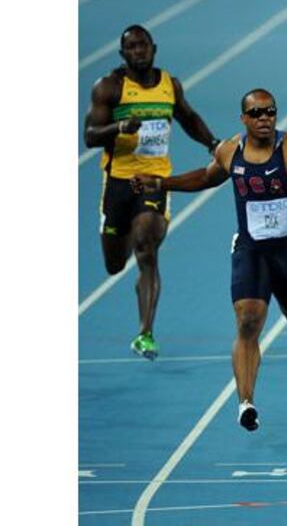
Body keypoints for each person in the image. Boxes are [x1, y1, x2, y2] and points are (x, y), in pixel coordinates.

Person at [132, 89, 287, 431]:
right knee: (248, 321)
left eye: (270, 111)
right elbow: (206, 177)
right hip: (251, 251)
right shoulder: (229, 151)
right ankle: (246, 402)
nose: (264, 118)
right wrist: (161, 184)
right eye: (256, 113)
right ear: (244, 119)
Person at [83, 24, 220, 360]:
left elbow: (187, 117)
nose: (138, 51)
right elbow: (89, 136)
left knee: (146, 244)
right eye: (131, 47)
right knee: (115, 264)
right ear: (122, 54)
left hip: (153, 180)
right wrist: (119, 127)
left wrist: (213, 144)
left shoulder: (169, 86)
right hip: (117, 183)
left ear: (154, 48)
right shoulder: (110, 87)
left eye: (143, 45)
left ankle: (145, 332)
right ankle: (130, 236)